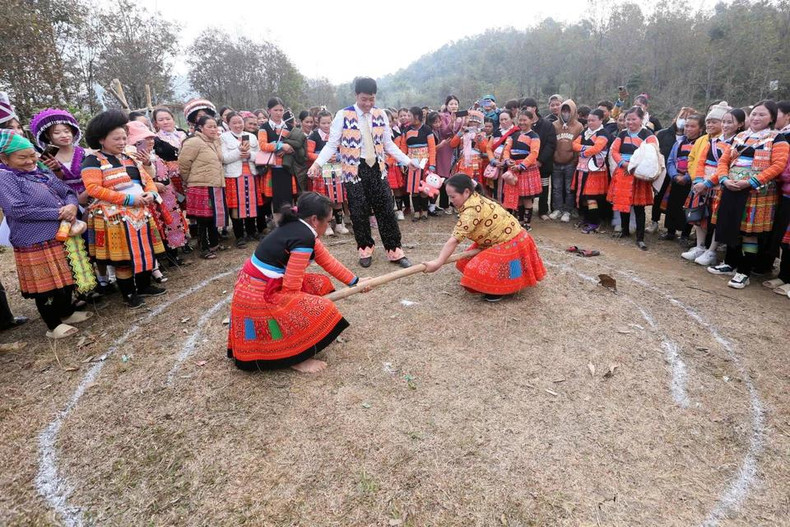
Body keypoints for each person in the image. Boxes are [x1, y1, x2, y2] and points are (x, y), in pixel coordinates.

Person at [227, 192, 369, 373]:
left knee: (319, 284)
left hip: (262, 286)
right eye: (328, 221)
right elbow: (291, 288)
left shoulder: (302, 228)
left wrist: (356, 282)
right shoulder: (303, 239)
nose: (328, 226)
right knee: (323, 308)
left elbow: (328, 261)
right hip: (257, 294)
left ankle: (293, 341)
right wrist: (306, 309)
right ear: (315, 220)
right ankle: (297, 357)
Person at [308, 77, 418, 269]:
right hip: (354, 170)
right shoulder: (343, 115)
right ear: (356, 95)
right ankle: (365, 248)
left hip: (377, 168)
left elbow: (388, 144)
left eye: (371, 99)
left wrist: (407, 161)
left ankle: (394, 249)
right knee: (358, 211)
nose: (368, 103)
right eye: (364, 99)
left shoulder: (381, 114)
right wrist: (317, 163)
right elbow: (332, 144)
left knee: (386, 209)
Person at [0, 130, 96, 338]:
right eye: (22, 157)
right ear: (4, 158)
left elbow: (67, 192)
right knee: (46, 284)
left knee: (66, 276)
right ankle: (52, 324)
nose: (29, 161)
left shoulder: (40, 171)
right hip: (34, 238)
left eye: (31, 155)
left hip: (60, 233)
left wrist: (71, 206)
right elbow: (17, 210)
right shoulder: (4, 177)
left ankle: (67, 312)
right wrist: (58, 213)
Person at [81, 111, 166, 308]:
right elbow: (93, 189)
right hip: (113, 217)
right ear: (101, 139)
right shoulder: (92, 161)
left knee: (145, 251)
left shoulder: (130, 158)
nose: (121, 142)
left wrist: (151, 194)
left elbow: (147, 180)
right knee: (123, 258)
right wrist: (128, 199)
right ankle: (128, 293)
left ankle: (144, 286)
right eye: (116, 138)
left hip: (139, 212)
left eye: (124, 138)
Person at [703, 101, 788, 289]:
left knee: (749, 233)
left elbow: (778, 166)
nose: (756, 118)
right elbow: (724, 160)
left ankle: (744, 272)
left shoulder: (778, 138)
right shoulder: (741, 136)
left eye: (762, 115)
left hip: (755, 192)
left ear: (772, 118)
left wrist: (750, 182)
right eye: (754, 114)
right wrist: (724, 179)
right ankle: (730, 263)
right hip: (731, 187)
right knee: (732, 227)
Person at [422, 174, 546, 302]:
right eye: (449, 197)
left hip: (512, 241)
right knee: (464, 262)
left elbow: (454, 240)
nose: (451, 201)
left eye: (453, 197)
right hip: (496, 240)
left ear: (466, 192)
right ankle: (503, 282)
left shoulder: (472, 210)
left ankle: (505, 287)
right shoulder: (472, 197)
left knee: (474, 269)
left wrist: (438, 263)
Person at [127, 121, 188, 281]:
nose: (150, 141)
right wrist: (154, 185)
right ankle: (161, 259)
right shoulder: (132, 158)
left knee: (172, 223)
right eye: (144, 139)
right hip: (151, 199)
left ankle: (174, 254)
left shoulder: (155, 155)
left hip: (167, 197)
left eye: (151, 138)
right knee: (159, 227)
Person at [682, 102, 730, 264]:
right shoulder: (704, 140)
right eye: (708, 121)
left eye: (715, 122)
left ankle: (711, 250)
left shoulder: (732, 142)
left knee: (715, 218)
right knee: (698, 215)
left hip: (717, 184)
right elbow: (695, 160)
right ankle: (700, 246)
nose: (710, 124)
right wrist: (697, 179)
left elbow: (725, 165)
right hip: (699, 182)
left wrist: (708, 182)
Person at [607, 106, 658, 250]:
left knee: (639, 207)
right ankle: (624, 230)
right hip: (623, 171)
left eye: (633, 119)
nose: (630, 122)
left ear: (641, 119)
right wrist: (623, 163)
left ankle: (640, 237)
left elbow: (651, 155)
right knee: (623, 204)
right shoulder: (622, 134)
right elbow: (615, 151)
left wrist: (635, 166)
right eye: (628, 119)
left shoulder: (648, 135)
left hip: (638, 174)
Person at [179, 115, 227, 259]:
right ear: (200, 127)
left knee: (213, 216)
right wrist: (189, 180)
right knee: (203, 218)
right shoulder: (194, 142)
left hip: (216, 183)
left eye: (215, 126)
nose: (213, 129)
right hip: (200, 185)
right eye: (209, 127)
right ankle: (204, 247)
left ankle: (214, 244)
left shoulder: (216, 141)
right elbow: (183, 164)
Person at [650, 107, 698, 234]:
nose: (683, 122)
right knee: (659, 198)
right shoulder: (663, 133)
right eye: (682, 117)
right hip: (665, 172)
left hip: (686, 176)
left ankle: (682, 231)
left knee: (681, 203)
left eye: (687, 119)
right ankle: (655, 222)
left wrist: (686, 176)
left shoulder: (696, 141)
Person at [29, 109, 89, 204]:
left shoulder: (85, 153)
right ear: (47, 136)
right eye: (57, 133)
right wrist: (56, 170)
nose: (64, 135)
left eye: (67, 131)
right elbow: (50, 183)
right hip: (64, 202)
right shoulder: (47, 156)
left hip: (90, 197)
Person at [761, 100, 790, 297]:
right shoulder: (780, 136)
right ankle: (785, 275)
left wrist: (778, 174)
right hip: (786, 193)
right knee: (784, 237)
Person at [306, 110, 350, 235]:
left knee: (338, 198)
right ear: (318, 123)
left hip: (336, 168)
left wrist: (338, 157)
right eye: (323, 123)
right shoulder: (314, 136)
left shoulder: (337, 134)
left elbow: (345, 149)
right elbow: (308, 154)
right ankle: (327, 226)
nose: (326, 125)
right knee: (325, 199)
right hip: (322, 169)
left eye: (329, 123)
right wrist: (323, 157)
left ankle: (339, 224)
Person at [663, 114, 704, 242]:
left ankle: (685, 234)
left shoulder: (701, 144)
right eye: (686, 126)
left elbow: (698, 164)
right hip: (676, 179)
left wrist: (686, 177)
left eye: (692, 126)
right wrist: (674, 175)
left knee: (687, 207)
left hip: (691, 181)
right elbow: (670, 161)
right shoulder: (679, 142)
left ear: (700, 129)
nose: (688, 129)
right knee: (672, 206)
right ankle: (670, 232)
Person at [221, 112, 260, 248]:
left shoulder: (252, 136)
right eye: (234, 123)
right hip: (234, 175)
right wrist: (239, 152)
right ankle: (239, 235)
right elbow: (224, 158)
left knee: (251, 204)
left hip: (250, 173)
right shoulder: (223, 137)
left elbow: (259, 155)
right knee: (237, 205)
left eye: (240, 122)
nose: (238, 125)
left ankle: (251, 231)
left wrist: (249, 154)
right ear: (229, 124)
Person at [258, 97, 298, 220]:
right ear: (269, 110)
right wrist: (280, 146)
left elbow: (297, 144)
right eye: (275, 110)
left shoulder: (289, 127)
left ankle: (289, 222)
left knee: (288, 196)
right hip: (272, 167)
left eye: (281, 110)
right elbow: (263, 145)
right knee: (275, 198)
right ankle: (277, 224)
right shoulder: (264, 127)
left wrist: (288, 149)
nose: (279, 113)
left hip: (287, 167)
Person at [571, 109, 611, 233]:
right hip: (582, 168)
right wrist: (587, 148)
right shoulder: (585, 132)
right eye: (588, 120)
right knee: (583, 195)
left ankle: (594, 222)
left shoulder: (603, 133)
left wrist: (583, 150)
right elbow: (574, 145)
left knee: (591, 197)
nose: (590, 122)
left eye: (593, 120)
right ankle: (586, 219)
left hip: (595, 171)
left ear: (601, 120)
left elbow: (598, 148)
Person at [502, 110, 542, 229]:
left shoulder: (534, 136)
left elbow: (534, 153)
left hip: (526, 170)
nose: (522, 122)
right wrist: (507, 160)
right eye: (520, 120)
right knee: (517, 197)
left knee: (527, 198)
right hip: (513, 167)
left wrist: (522, 166)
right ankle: (519, 221)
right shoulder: (513, 135)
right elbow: (506, 149)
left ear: (531, 120)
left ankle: (527, 223)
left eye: (525, 120)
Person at [521, 98, 556, 220]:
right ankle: (524, 211)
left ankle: (542, 211)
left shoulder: (547, 124)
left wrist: (540, 160)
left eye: (527, 107)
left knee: (544, 187)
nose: (524, 110)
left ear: (534, 108)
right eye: (523, 108)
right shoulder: (522, 126)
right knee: (526, 188)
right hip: (526, 164)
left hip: (543, 163)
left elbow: (551, 144)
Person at [400, 106, 437, 221]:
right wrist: (402, 162)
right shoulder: (406, 130)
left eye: (410, 115)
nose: (407, 117)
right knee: (413, 188)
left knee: (424, 188)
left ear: (416, 116)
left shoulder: (426, 129)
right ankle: (416, 211)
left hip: (425, 163)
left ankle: (425, 211)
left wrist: (432, 164)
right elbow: (403, 147)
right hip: (412, 164)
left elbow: (432, 148)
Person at [550, 99, 584, 223]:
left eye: (568, 110)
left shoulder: (578, 126)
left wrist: (575, 160)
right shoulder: (554, 125)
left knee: (569, 188)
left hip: (570, 162)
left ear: (573, 111)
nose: (565, 113)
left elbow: (579, 144)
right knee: (557, 188)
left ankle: (567, 211)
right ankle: (558, 209)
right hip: (556, 162)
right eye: (563, 110)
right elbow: (552, 143)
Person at [486, 110, 518, 204]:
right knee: (496, 188)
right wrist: (493, 161)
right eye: (501, 120)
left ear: (511, 119)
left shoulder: (516, 133)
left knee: (509, 187)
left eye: (506, 119)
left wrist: (506, 161)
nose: (503, 122)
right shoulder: (496, 132)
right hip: (496, 165)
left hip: (510, 165)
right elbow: (489, 148)